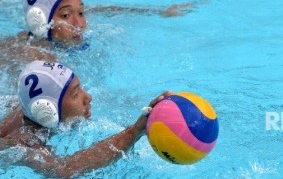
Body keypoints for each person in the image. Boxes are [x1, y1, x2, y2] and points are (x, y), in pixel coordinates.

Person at [0, 60, 173, 177]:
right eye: (75, 94)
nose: (88, 97)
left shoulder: (23, 105)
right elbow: (63, 170)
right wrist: (133, 132)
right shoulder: (22, 144)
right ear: (46, 109)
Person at [0, 0, 195, 83]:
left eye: (81, 12)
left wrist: (160, 12)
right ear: (39, 23)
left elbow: (108, 10)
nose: (79, 23)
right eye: (66, 16)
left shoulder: (68, 30)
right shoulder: (37, 59)